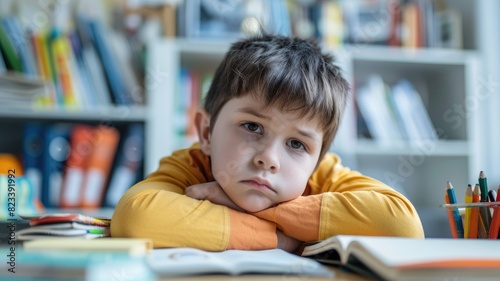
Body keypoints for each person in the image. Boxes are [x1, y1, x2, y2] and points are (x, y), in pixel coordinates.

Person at [111, 34, 425, 251]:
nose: (269, 158)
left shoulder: (322, 175)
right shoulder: (193, 165)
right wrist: (278, 237)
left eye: (297, 144)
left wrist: (254, 211)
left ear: (317, 161)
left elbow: (403, 226)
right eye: (252, 126)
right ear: (206, 133)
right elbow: (135, 218)